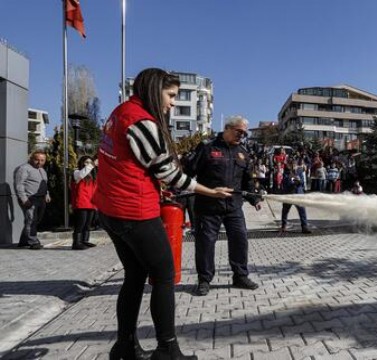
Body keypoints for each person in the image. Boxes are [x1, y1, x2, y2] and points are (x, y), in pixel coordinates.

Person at [93, 68, 231, 360]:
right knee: (165, 276)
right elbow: (171, 174)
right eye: (170, 96)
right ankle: (167, 350)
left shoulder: (121, 112)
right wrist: (210, 191)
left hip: (110, 209)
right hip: (133, 211)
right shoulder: (142, 122)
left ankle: (125, 347)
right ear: (155, 91)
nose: (171, 103)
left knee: (134, 275)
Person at [190, 115, 263, 296]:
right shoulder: (207, 147)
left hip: (233, 207)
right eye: (239, 132)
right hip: (208, 207)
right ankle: (204, 280)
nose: (242, 136)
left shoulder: (243, 152)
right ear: (228, 128)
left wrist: (255, 199)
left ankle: (240, 276)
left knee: (240, 240)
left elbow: (248, 180)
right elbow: (189, 171)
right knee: (205, 244)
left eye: (244, 133)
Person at [13, 150, 50, 250]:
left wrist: (47, 194)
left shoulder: (42, 170)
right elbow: (19, 185)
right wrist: (24, 199)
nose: (39, 162)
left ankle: (23, 241)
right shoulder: (24, 169)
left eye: (42, 160)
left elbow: (44, 184)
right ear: (31, 159)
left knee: (35, 220)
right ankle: (33, 241)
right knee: (31, 220)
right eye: (37, 160)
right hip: (30, 199)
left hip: (41, 199)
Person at [70, 155, 97, 250]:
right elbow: (82, 174)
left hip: (91, 203)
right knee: (80, 224)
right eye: (86, 162)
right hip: (81, 203)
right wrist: (92, 164)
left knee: (88, 224)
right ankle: (76, 243)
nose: (88, 165)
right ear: (81, 163)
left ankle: (84, 240)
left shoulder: (93, 176)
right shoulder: (77, 172)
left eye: (90, 162)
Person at [280, 159, 311, 234]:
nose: (294, 166)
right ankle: (283, 226)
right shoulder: (286, 172)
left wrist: (299, 181)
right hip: (289, 194)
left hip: (298, 194)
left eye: (295, 165)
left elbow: (303, 182)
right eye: (292, 165)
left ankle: (304, 227)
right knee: (285, 211)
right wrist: (291, 180)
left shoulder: (300, 171)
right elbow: (285, 182)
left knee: (302, 210)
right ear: (290, 165)